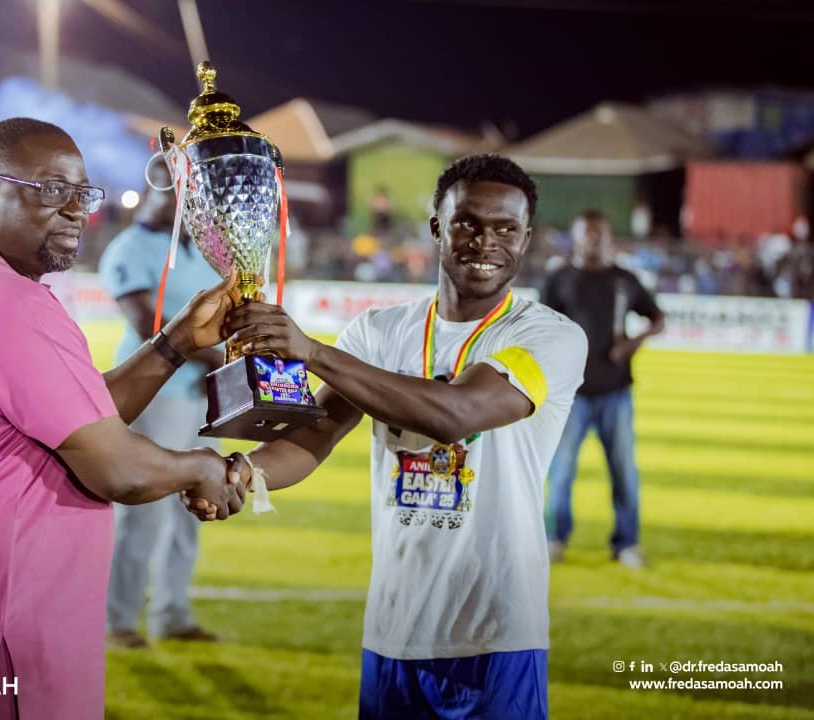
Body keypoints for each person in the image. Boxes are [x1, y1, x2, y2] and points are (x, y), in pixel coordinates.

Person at [0, 117, 249, 720]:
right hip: (1, 622)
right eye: (51, 189)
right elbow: (117, 468)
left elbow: (82, 413)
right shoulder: (9, 303)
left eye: (82, 192)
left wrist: (178, 340)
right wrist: (201, 467)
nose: (76, 209)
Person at [212, 154, 588, 719]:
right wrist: (241, 472)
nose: (485, 242)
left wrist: (312, 351)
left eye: (506, 229)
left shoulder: (549, 336)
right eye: (467, 224)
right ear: (437, 228)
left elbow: (456, 415)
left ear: (526, 238)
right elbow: (317, 434)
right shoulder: (379, 332)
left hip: (496, 634)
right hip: (393, 631)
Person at [99, 162, 223, 649]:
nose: (184, 202)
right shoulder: (129, 248)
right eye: (175, 191)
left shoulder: (200, 250)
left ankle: (172, 613)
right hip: (155, 394)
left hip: (199, 395)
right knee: (144, 509)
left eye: (192, 194)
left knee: (197, 505)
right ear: (151, 190)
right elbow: (149, 324)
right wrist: (220, 359)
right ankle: (119, 620)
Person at [540, 210, 664, 568]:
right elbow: (539, 327)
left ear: (608, 237)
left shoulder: (625, 280)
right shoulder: (559, 279)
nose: (593, 240)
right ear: (576, 237)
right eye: (587, 233)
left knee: (624, 472)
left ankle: (626, 543)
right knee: (561, 470)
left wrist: (633, 344)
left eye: (599, 234)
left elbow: (657, 319)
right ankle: (554, 539)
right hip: (570, 395)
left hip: (616, 391)